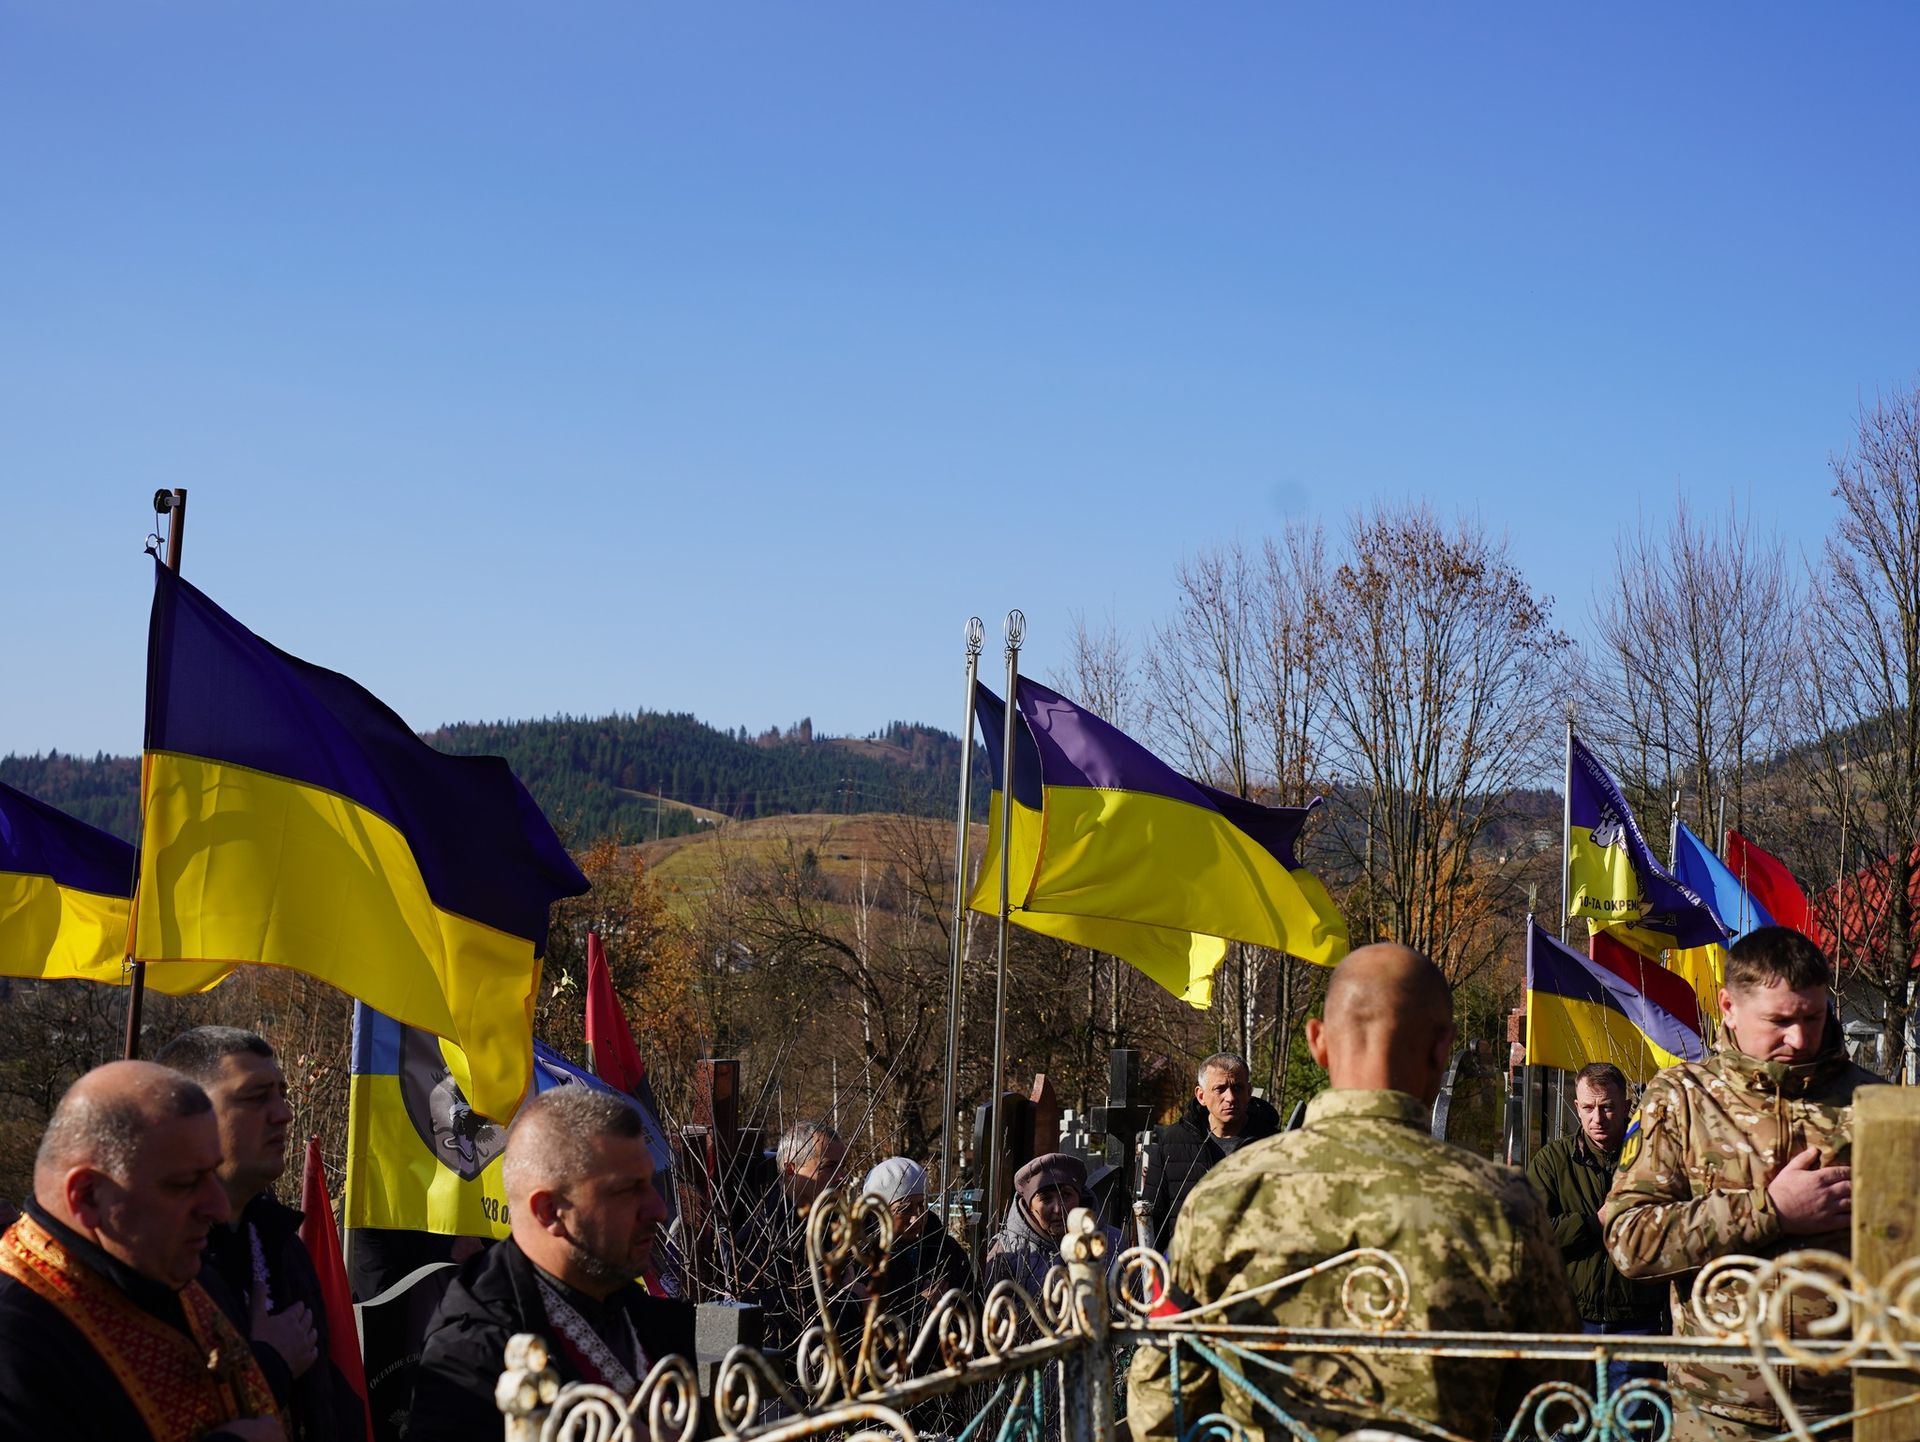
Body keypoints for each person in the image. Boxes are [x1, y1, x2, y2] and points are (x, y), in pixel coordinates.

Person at [1127, 943, 1579, 1442]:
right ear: (1442, 1047)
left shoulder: (1224, 1197)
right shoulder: (1503, 1205)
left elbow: (1163, 1395)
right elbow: (1555, 1398)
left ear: (1319, 1042)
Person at [1603, 925, 1883, 1441]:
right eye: (1778, 1021)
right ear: (1728, 1007)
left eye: (1813, 1018)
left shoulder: (1877, 1105)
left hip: (1850, 1413)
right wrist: (1768, 1210)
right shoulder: (1682, 1099)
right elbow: (1630, 1241)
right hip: (1717, 1415)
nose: (1799, 1039)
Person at [0, 1060, 284, 1442]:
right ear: (87, 1196)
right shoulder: (14, 1337)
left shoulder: (185, 1274)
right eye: (185, 1183)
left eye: (213, 1174)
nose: (217, 1207)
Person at [407, 1085, 692, 1442]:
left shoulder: (652, 1321)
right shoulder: (472, 1360)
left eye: (649, 1183)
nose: (658, 1209)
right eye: (626, 1190)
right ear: (549, 1211)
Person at [158, 1026, 366, 1442]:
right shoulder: (160, 1258)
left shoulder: (284, 1243)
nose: (284, 1113)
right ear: (188, 1115)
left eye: (282, 1093)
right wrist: (269, 1362)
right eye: (256, 1097)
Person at [1525, 1062, 1667, 1412]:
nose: (1597, 1118)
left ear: (1625, 1106)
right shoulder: (1552, 1162)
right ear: (1577, 1106)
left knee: (1626, 1428)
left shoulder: (1650, 1161)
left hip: (1636, 1320)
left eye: (1607, 1107)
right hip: (1574, 1321)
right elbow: (1532, 1235)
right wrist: (1596, 1221)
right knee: (1568, 1423)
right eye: (1588, 1108)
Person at [1138, 1052, 1280, 1249]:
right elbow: (1151, 1218)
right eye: (1220, 1089)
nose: (1230, 1097)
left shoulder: (1273, 1144)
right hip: (1186, 1267)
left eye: (1237, 1088)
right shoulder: (1172, 1143)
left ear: (1248, 1092)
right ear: (1201, 1095)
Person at [737, 1119, 847, 1355]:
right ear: (790, 1170)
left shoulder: (830, 1223)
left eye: (843, 1166)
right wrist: (852, 1301)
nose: (842, 1176)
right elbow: (783, 1327)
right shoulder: (765, 1234)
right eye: (830, 1167)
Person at [982, 1152, 1123, 1300]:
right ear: (1028, 1206)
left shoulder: (1112, 1242)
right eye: (1046, 1199)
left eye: (1066, 1196)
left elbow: (1135, 1308)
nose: (1058, 1209)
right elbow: (998, 1317)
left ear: (1080, 1199)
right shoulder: (1006, 1251)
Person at [858, 1156, 972, 1328]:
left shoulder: (945, 1250)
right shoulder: (862, 1261)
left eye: (921, 1204)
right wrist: (923, 1307)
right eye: (903, 1209)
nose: (916, 1217)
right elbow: (863, 1332)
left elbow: (972, 1311)